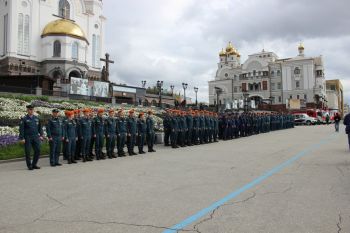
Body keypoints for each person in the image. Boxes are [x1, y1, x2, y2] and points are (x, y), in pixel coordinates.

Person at [19, 105, 44, 170]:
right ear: (27, 110)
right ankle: (29, 165)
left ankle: (34, 164)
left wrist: (41, 135)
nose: (31, 111)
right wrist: (22, 138)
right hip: (28, 137)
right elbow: (21, 129)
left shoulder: (36, 118)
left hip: (35, 137)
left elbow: (40, 128)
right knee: (28, 152)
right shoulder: (24, 119)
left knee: (38, 150)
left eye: (32, 109)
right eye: (30, 109)